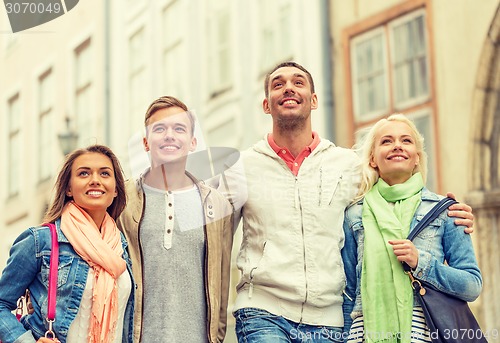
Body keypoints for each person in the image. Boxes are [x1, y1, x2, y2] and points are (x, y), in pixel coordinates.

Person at [216, 62, 475, 343]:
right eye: (278, 84)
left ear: (314, 100)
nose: (289, 87)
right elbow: (214, 240)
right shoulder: (241, 166)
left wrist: (449, 212)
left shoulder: (348, 165)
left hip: (329, 320)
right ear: (266, 105)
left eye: (298, 82)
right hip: (263, 310)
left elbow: (398, 192)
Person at [342, 114, 482, 342]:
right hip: (364, 334)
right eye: (386, 141)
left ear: (417, 158)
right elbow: (348, 292)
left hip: (425, 332)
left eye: (406, 141)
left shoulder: (446, 210)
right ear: (373, 160)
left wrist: (421, 263)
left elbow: (472, 285)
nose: (397, 145)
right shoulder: (354, 215)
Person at [116, 96, 233, 343]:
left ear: (192, 142)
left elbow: (221, 282)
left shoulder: (215, 204)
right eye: (159, 129)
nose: (169, 135)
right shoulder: (122, 202)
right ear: (146, 142)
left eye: (179, 129)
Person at [0, 145, 134, 343]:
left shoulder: (122, 246)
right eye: (84, 173)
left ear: (115, 189)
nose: (95, 180)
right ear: (69, 188)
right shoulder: (41, 241)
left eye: (105, 173)